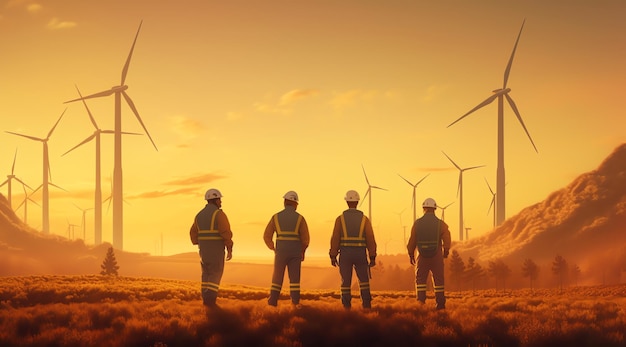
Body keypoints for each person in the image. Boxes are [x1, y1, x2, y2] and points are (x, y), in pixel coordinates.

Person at [329, 190, 377, 309]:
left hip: (345, 254)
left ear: (347, 202)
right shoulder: (364, 219)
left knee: (345, 282)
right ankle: (366, 305)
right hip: (360, 254)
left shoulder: (340, 219)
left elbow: (335, 238)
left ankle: (346, 306)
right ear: (357, 202)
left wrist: (333, 255)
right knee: (364, 281)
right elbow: (370, 238)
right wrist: (372, 256)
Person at [263, 191, 310, 307]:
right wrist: (302, 251)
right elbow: (305, 239)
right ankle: (295, 303)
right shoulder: (300, 218)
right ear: (295, 204)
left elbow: (266, 235)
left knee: (277, 277)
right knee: (294, 280)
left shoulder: (276, 217)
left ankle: (273, 301)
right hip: (295, 252)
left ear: (285, 202)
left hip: (280, 251)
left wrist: (272, 247)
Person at [189, 188, 233, 308]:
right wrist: (229, 247)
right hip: (216, 251)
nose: (221, 202)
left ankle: (205, 300)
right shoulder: (219, 214)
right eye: (219, 199)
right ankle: (211, 301)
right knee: (216, 274)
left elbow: (193, 233)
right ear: (215, 200)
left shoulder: (198, 215)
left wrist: (200, 243)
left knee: (206, 275)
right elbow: (226, 232)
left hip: (203, 252)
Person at [407, 197, 451, 310]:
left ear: (423, 208)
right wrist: (446, 251)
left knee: (420, 280)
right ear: (435, 209)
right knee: (438, 280)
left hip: (421, 256)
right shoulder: (441, 224)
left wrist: (411, 254)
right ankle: (440, 304)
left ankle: (421, 303)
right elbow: (447, 237)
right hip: (436, 255)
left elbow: (412, 240)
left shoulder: (417, 223)